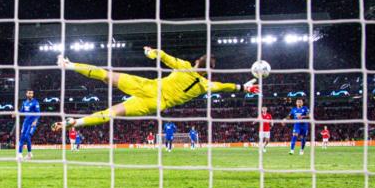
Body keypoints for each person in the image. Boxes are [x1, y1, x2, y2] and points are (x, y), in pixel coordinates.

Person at [51, 48, 259, 131]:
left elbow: (163, 55)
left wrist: (150, 53)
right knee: (112, 113)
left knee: (107, 75)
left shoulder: (184, 66)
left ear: (197, 61)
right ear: (209, 72)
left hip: (148, 87)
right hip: (154, 103)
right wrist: (243, 87)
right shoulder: (205, 86)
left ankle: (68, 65)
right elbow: (223, 87)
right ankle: (75, 122)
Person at [17, 90, 40, 161]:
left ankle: (29, 153)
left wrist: (35, 121)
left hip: (32, 122)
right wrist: (16, 113)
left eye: (32, 93)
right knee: (22, 137)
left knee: (27, 136)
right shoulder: (24, 103)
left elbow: (38, 113)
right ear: (26, 94)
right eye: (29, 93)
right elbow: (22, 111)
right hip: (26, 122)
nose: (30, 94)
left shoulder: (35, 102)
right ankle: (20, 154)